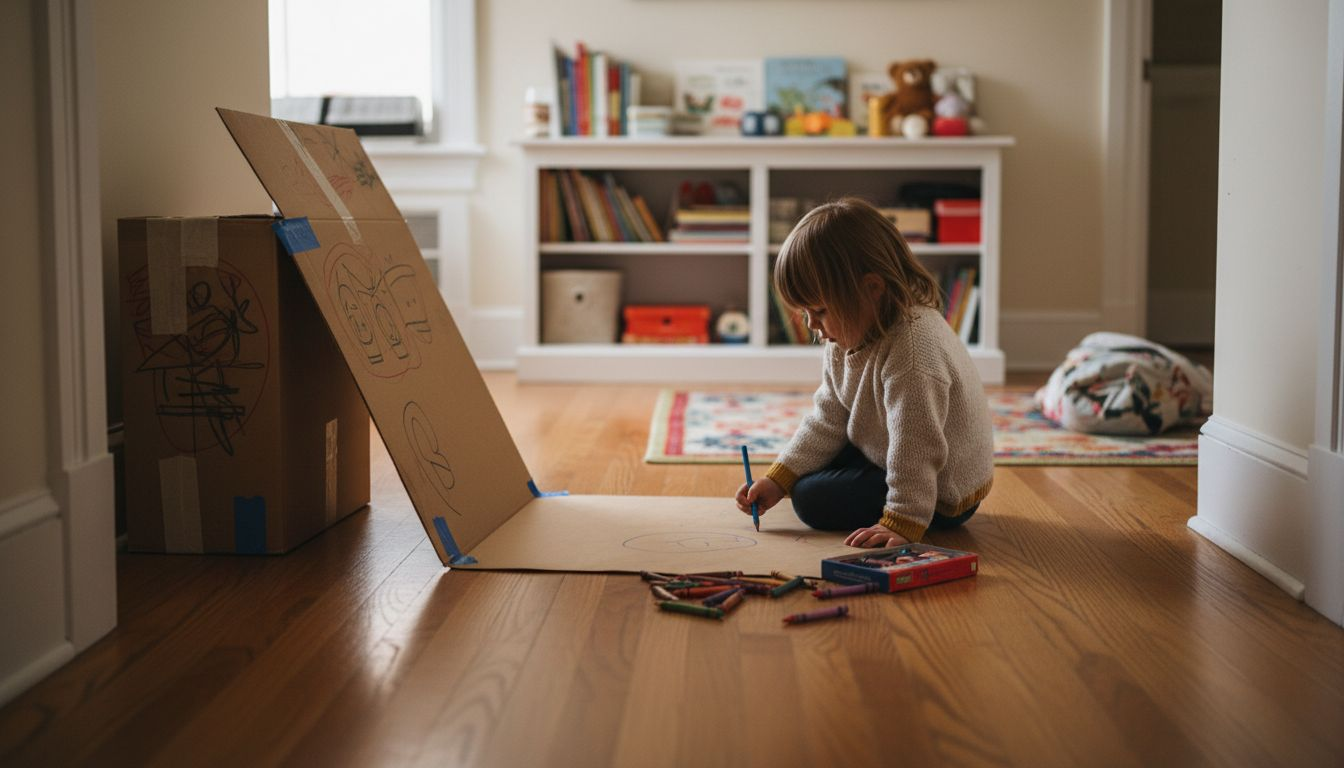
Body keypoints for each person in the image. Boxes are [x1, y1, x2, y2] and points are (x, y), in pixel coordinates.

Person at [735, 197, 994, 547]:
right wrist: (779, 478)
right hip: (889, 449)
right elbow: (828, 417)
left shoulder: (913, 351)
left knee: (812, 499)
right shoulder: (847, 331)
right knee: (806, 475)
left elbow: (917, 448)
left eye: (821, 310)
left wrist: (902, 522)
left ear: (871, 289)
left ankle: (907, 510)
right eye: (805, 313)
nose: (813, 325)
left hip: (942, 492)